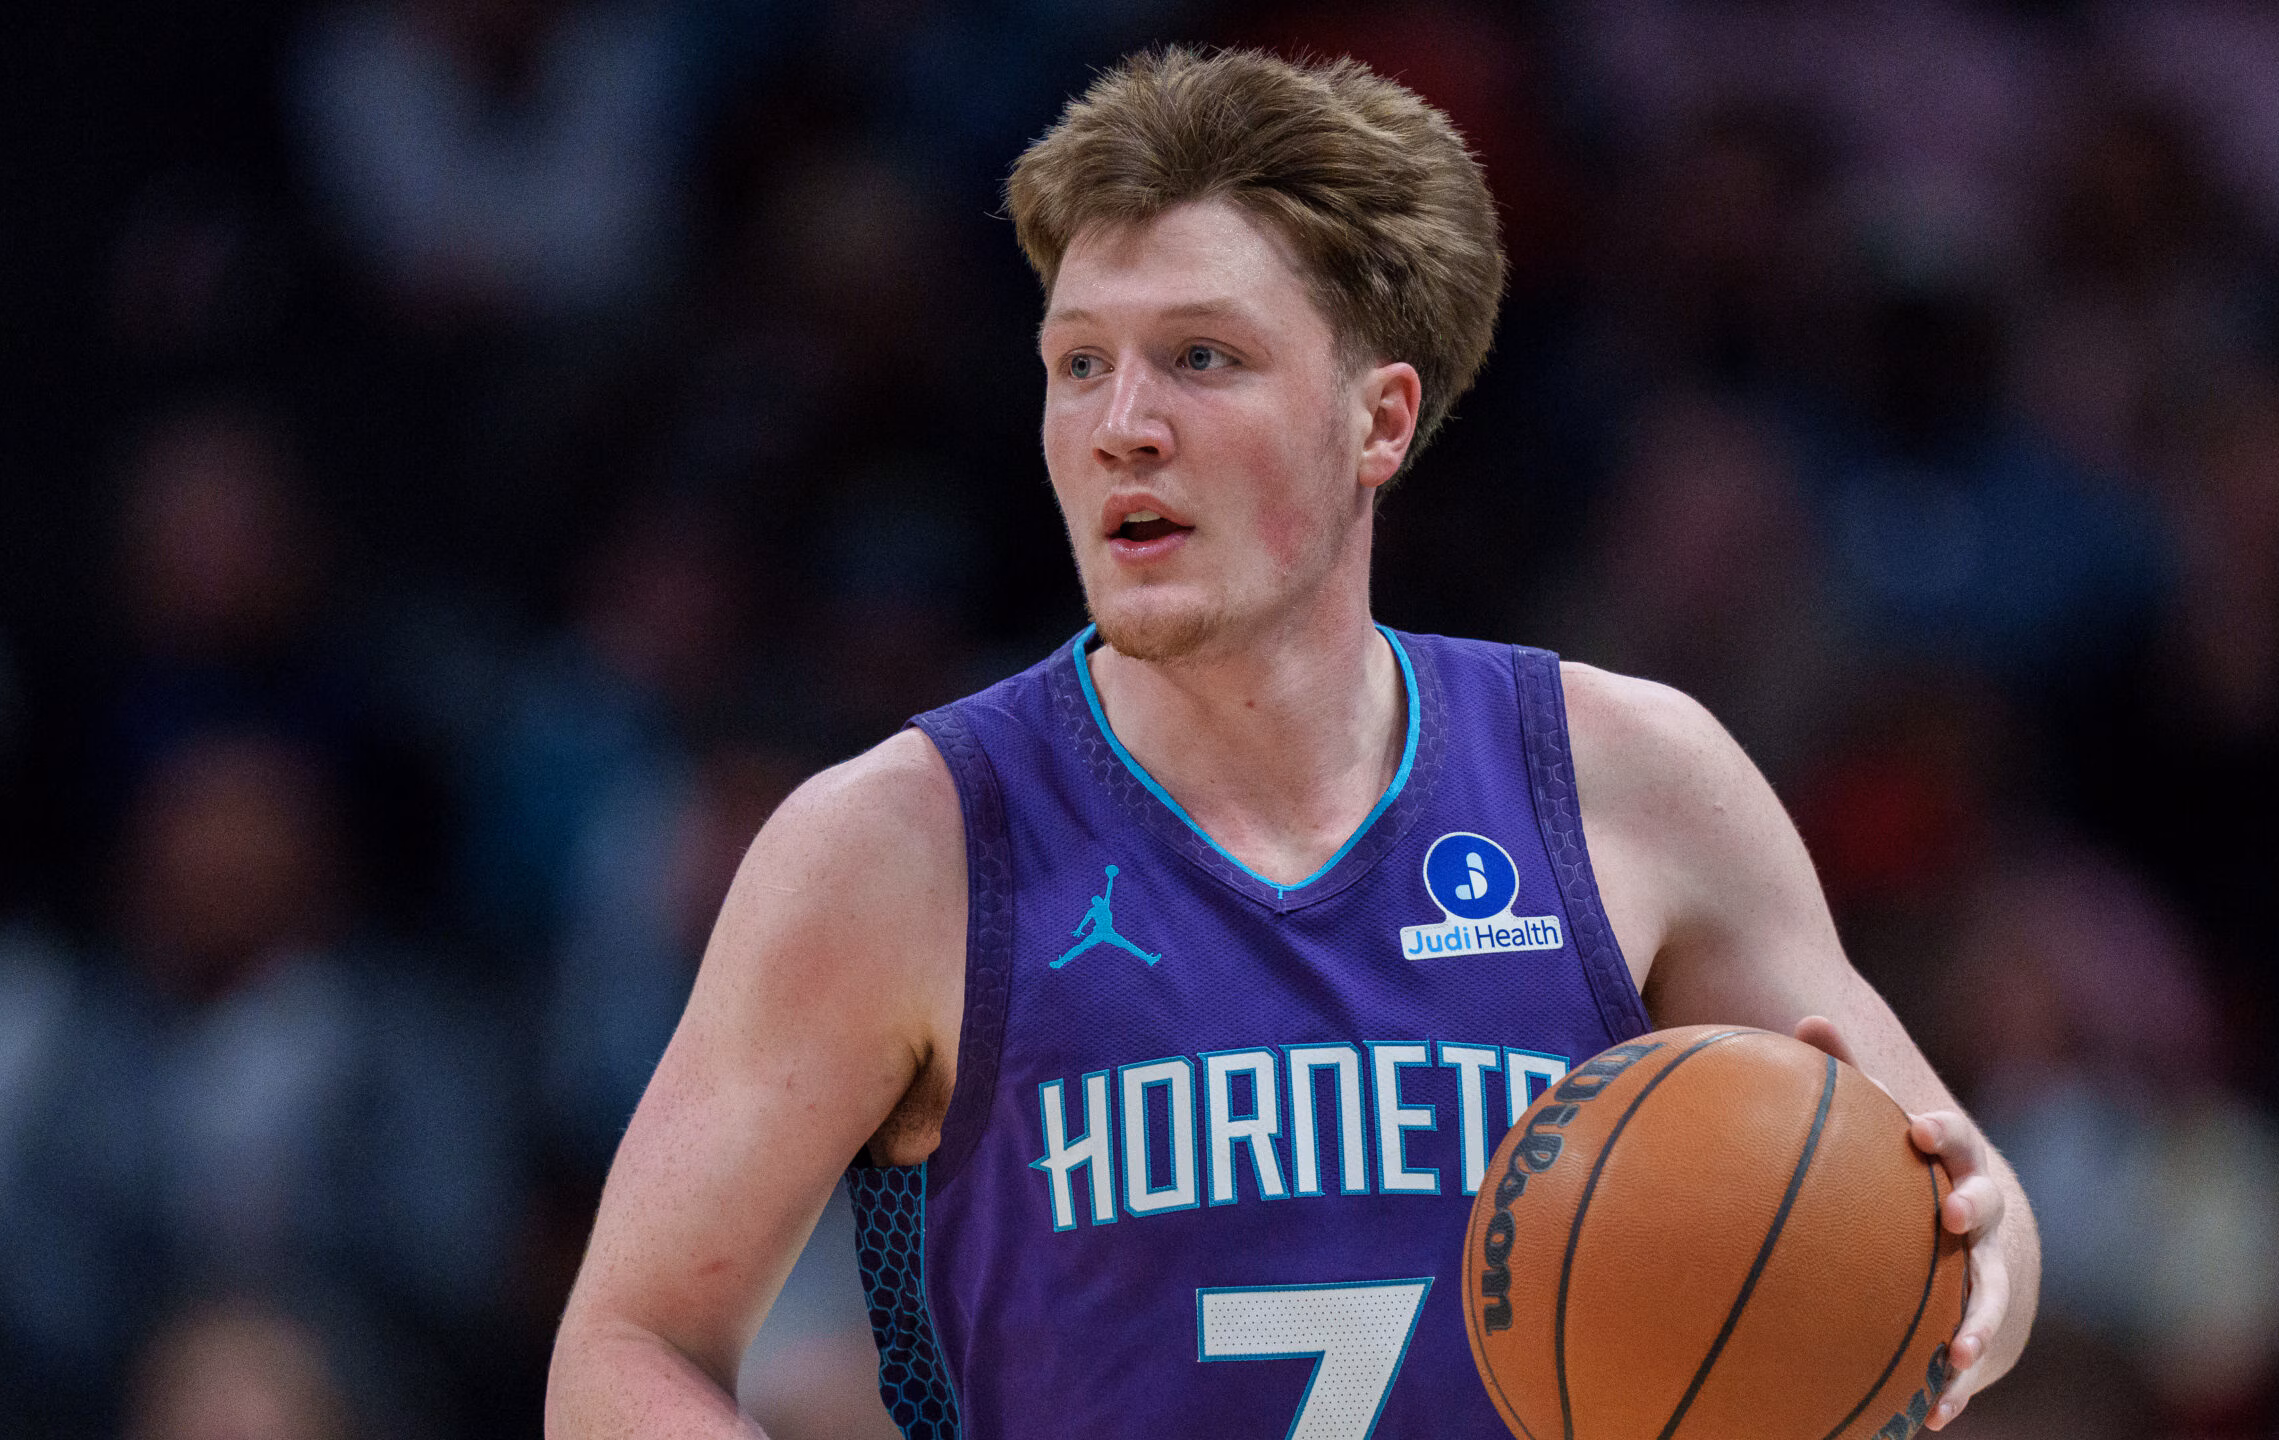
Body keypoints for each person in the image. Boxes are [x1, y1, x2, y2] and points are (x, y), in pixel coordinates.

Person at [548, 47, 2040, 1438]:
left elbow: (1975, 1236)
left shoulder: (1625, 780)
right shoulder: (897, 842)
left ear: (1377, 422)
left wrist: (1965, 1250)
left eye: (1201, 357)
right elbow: (623, 1349)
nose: (1123, 424)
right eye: (1080, 363)